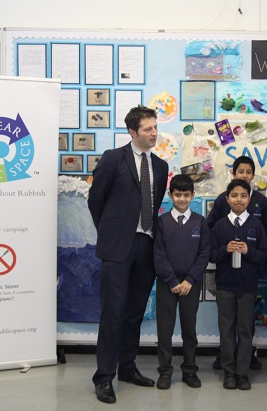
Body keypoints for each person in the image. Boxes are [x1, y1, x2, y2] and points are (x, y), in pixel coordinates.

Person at [87, 105, 169, 404]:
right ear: (132, 132)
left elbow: (155, 202)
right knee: (112, 313)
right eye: (148, 129)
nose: (154, 133)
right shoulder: (112, 159)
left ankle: (128, 367)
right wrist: (110, 232)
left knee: (134, 312)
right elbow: (95, 201)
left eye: (155, 127)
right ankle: (104, 377)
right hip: (117, 248)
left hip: (147, 246)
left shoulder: (160, 166)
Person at [207, 155, 267, 370]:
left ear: (253, 176)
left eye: (248, 172)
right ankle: (228, 365)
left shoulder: (260, 205)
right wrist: (224, 248)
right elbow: (211, 238)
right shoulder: (221, 210)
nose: (244, 175)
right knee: (226, 327)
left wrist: (250, 250)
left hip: (248, 279)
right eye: (240, 171)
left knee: (246, 326)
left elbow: (266, 241)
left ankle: (243, 367)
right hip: (226, 279)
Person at [153, 174, 210, 390]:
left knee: (189, 330)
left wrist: (189, 280)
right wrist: (170, 279)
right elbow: (158, 254)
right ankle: (165, 372)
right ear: (171, 195)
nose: (182, 199)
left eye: (186, 195)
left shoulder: (200, 222)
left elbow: (204, 254)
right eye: (178, 195)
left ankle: (189, 371)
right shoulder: (162, 222)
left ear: (193, 196)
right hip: (167, 284)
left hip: (190, 285)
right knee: (164, 330)